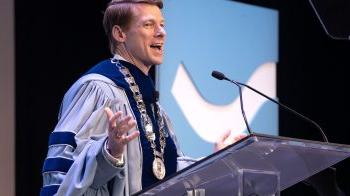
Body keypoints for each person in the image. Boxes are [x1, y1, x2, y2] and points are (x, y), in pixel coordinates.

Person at [40, 0, 245, 195]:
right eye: (149, 25)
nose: (161, 32)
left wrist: (217, 159)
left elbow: (167, 172)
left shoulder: (154, 107)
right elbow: (62, 173)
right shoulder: (98, 89)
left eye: (162, 25)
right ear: (120, 33)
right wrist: (110, 151)